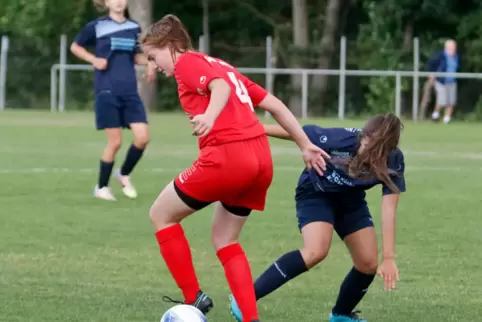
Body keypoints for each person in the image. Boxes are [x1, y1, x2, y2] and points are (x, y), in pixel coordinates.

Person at [140, 14, 329, 322]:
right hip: (260, 158)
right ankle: (250, 319)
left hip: (229, 156)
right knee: (225, 239)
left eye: (153, 57)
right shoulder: (223, 65)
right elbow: (276, 105)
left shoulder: (187, 63)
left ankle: (193, 298)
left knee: (161, 215)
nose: (155, 65)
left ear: (170, 45)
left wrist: (210, 118)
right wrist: (304, 144)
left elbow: (219, 90)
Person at [230, 113, 406, 322]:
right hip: (315, 193)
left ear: (389, 149)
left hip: (350, 201)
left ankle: (341, 315)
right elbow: (296, 132)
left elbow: (389, 210)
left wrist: (388, 259)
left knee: (368, 263)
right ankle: (244, 298)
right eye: (366, 143)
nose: (366, 151)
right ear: (363, 135)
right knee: (316, 251)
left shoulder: (394, 161)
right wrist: (254, 129)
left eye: (376, 149)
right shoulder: (337, 139)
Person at [70, 0, 156, 201]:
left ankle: (123, 173)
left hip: (130, 93)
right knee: (115, 142)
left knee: (143, 137)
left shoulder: (133, 27)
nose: (118, 2)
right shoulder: (97, 26)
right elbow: (76, 46)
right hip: (107, 91)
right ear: (106, 3)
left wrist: (151, 63)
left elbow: (136, 57)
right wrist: (93, 60)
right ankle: (101, 187)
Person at [429, 39, 460, 124]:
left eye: (454, 47)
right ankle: (435, 115)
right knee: (442, 100)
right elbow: (431, 63)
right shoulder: (440, 55)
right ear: (448, 47)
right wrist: (432, 74)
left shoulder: (456, 56)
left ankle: (446, 119)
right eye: (453, 47)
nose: (454, 49)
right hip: (441, 81)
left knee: (451, 101)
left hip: (452, 81)